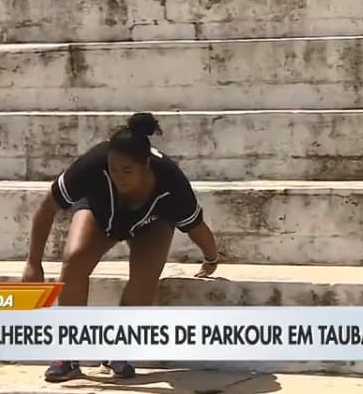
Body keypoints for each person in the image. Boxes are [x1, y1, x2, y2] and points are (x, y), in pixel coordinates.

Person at [22, 112, 221, 383]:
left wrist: (211, 257)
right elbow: (46, 208)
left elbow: (196, 226)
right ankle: (68, 353)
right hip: (100, 214)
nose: (119, 177)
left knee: (146, 274)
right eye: (113, 169)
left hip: (152, 223)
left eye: (127, 170)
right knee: (74, 259)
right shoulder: (93, 163)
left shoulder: (171, 182)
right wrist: (34, 263)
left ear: (146, 165)